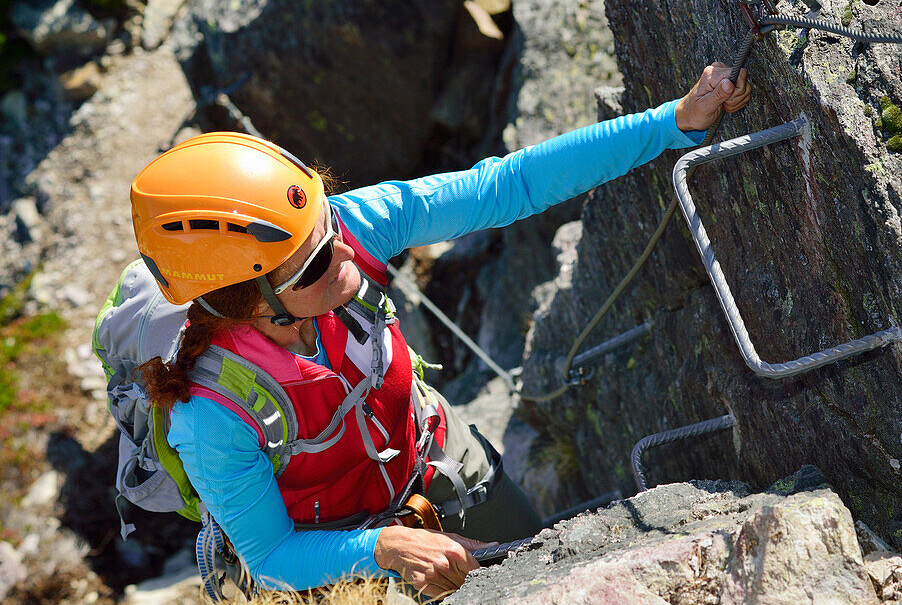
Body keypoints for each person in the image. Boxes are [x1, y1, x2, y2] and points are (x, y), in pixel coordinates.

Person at [127, 64, 752, 598]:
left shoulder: (350, 229)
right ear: (245, 302)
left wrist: (674, 120)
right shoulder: (212, 416)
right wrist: (388, 547)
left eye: (331, 225)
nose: (347, 254)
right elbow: (268, 558)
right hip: (333, 554)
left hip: (437, 465)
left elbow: (509, 185)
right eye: (316, 263)